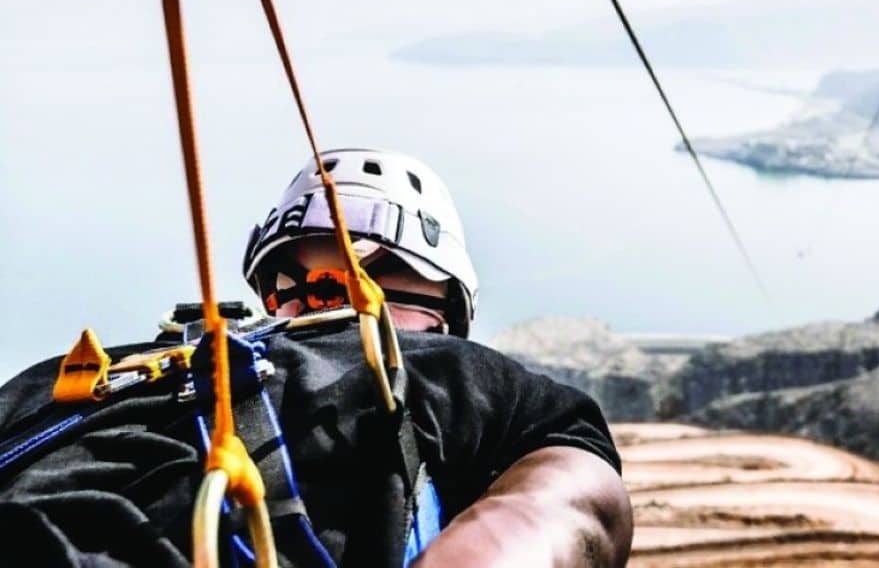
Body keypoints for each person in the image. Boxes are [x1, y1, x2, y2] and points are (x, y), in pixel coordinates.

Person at [0, 148, 633, 567]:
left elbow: (567, 510)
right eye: (300, 289)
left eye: (358, 287)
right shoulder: (94, 370)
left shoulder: (455, 373)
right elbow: (570, 516)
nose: (324, 309)